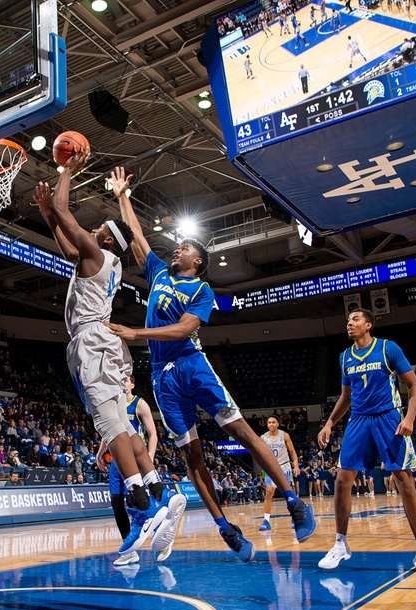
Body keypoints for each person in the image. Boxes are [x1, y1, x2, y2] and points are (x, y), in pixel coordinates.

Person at [104, 166, 315, 561]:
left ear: (197, 260)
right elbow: (136, 237)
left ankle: (293, 501)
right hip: (163, 379)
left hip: (191, 364)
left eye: (184, 247)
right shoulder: (158, 274)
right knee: (191, 458)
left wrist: (136, 334)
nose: (176, 250)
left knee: (242, 434)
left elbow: (185, 330)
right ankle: (226, 529)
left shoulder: (201, 289)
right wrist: (122, 197)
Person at [32, 153, 184, 558]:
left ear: (106, 239)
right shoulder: (103, 260)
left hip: (92, 342)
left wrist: (66, 171)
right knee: (123, 424)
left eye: (98, 229)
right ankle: (156, 487)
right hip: (108, 345)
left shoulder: (98, 253)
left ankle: (141, 504)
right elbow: (67, 246)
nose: (93, 229)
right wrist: (48, 215)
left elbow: (66, 212)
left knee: (107, 423)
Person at [317, 309, 416, 575]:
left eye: (355, 320)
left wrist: (409, 418)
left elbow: (415, 386)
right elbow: (345, 397)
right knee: (342, 478)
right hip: (359, 420)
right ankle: (340, 544)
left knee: (403, 479)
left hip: (388, 417)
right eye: (348, 320)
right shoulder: (344, 357)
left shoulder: (388, 348)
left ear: (368, 325)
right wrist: (329, 422)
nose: (349, 323)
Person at [100, 374, 169, 565]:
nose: (122, 383)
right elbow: (108, 432)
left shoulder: (140, 404)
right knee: (116, 503)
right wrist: (100, 454)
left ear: (132, 383)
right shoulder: (114, 404)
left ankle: (162, 540)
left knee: (139, 501)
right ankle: (128, 549)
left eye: (125, 380)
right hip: (116, 460)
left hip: (134, 458)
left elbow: (152, 434)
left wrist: (149, 457)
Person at [259, 415, 300, 531]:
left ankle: (294, 517)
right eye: (269, 422)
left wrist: (295, 465)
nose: (271, 424)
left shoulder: (284, 435)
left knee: (288, 494)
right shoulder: (263, 438)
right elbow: (257, 452)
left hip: (284, 466)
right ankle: (266, 521)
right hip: (271, 467)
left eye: (273, 422)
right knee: (269, 492)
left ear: (278, 424)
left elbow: (292, 451)